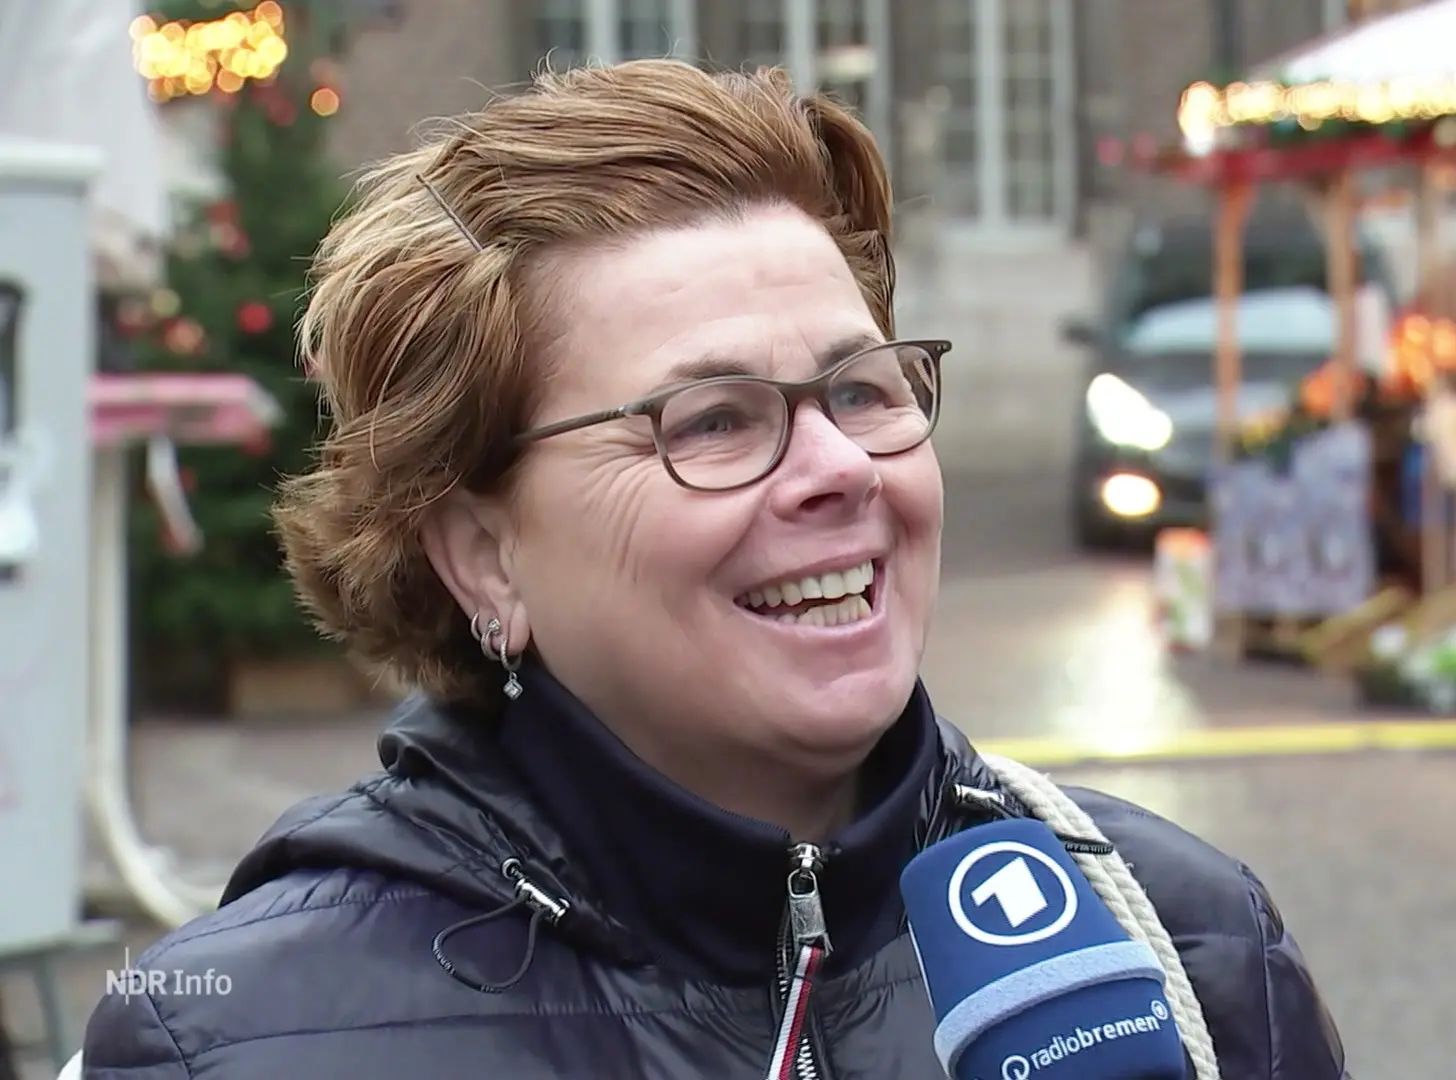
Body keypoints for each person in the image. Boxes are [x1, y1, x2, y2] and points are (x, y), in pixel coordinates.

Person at [78, 61, 1349, 1079]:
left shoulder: (1183, 943)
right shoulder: (241, 1040)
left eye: (863, 389)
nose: (839, 468)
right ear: (482, 558)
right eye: (714, 421)